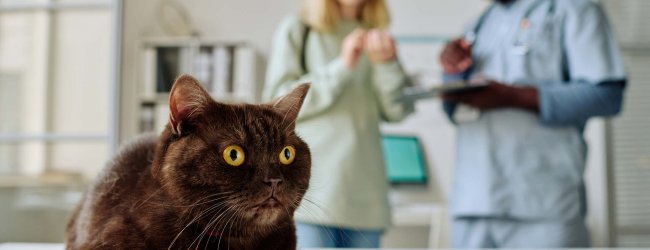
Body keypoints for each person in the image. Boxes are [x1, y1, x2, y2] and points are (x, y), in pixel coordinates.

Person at [440, 0, 627, 248]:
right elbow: (456, 113)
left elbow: (606, 96)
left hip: (543, 203)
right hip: (474, 200)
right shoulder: (477, 25)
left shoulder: (575, 9)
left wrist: (513, 96)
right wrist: (453, 75)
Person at [263, 0, 413, 247]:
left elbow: (397, 111)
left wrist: (388, 65)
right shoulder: (299, 29)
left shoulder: (376, 37)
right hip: (310, 199)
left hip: (366, 200)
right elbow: (276, 105)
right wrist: (342, 67)